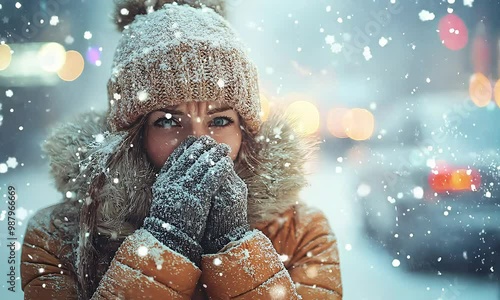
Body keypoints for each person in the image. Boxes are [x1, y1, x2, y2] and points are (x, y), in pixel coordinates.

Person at [20, 1, 343, 299]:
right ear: (133, 134)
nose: (197, 140)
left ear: (245, 131)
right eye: (168, 121)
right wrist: (164, 242)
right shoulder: (58, 236)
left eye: (219, 120)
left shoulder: (301, 233)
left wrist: (234, 247)